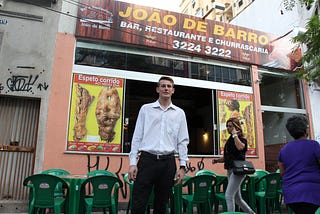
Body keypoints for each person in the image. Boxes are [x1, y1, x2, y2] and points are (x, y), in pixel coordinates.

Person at [128, 76, 189, 214]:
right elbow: (137, 137)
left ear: (173, 90)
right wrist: (133, 163)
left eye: (169, 86)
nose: (166, 88)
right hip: (147, 161)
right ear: (157, 89)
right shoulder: (146, 109)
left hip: (168, 163)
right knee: (138, 204)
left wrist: (183, 166)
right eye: (163, 86)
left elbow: (183, 141)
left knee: (161, 205)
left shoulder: (179, 113)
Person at [278, 115, 320, 214]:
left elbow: (282, 172)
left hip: (291, 195)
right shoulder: (313, 145)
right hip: (312, 193)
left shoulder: (284, 149)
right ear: (306, 129)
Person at [212, 117, 255, 214]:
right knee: (237, 198)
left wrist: (235, 134)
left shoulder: (241, 139)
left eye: (230, 126)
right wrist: (217, 160)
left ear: (236, 127)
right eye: (227, 126)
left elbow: (240, 147)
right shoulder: (230, 139)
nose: (228, 128)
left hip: (238, 171)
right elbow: (227, 157)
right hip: (230, 170)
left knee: (228, 195)